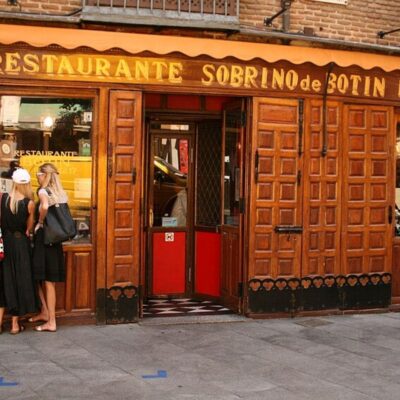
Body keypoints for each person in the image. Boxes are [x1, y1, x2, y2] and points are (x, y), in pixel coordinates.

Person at [30, 163, 68, 332]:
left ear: (45, 175)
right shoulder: (60, 193)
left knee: (47, 281)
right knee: (39, 276)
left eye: (39, 173)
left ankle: (51, 321)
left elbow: (44, 206)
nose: (37, 176)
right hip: (55, 241)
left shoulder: (43, 191)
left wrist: (39, 222)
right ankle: (45, 312)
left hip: (45, 241)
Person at [0, 168, 37, 334]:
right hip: (20, 243)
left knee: (5, 280)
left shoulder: (3, 199)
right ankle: (15, 325)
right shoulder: (29, 203)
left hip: (5, 243)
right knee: (19, 281)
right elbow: (29, 228)